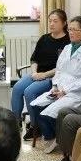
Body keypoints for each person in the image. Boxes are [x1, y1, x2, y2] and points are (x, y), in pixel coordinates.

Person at [30, 16, 81, 153]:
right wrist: (55, 87)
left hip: (75, 94)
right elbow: (59, 70)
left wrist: (64, 91)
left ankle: (58, 138)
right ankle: (51, 136)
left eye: (75, 30)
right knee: (35, 105)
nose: (71, 33)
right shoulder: (67, 48)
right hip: (58, 89)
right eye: (70, 29)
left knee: (47, 114)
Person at [12, 9, 70, 137]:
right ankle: (15, 124)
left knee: (29, 92)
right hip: (37, 74)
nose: (51, 24)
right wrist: (34, 72)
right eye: (50, 21)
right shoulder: (44, 38)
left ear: (64, 23)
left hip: (52, 77)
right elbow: (34, 59)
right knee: (17, 88)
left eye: (55, 21)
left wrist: (44, 75)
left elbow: (63, 68)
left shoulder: (68, 42)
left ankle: (35, 127)